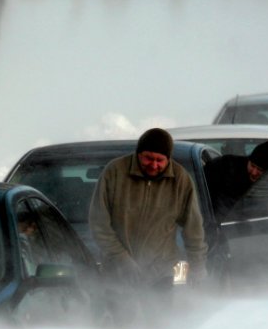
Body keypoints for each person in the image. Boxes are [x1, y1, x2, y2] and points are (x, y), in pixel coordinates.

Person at [88, 127, 208, 306]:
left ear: (168, 158)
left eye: (160, 160)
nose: (154, 165)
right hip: (118, 272)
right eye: (148, 158)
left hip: (163, 273)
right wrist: (122, 259)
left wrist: (197, 268)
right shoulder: (114, 172)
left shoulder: (181, 180)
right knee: (121, 327)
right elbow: (99, 225)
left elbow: (194, 230)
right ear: (138, 154)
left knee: (160, 325)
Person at [203, 140, 268, 221]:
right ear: (249, 160)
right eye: (252, 165)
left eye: (260, 170)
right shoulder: (226, 168)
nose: (254, 172)